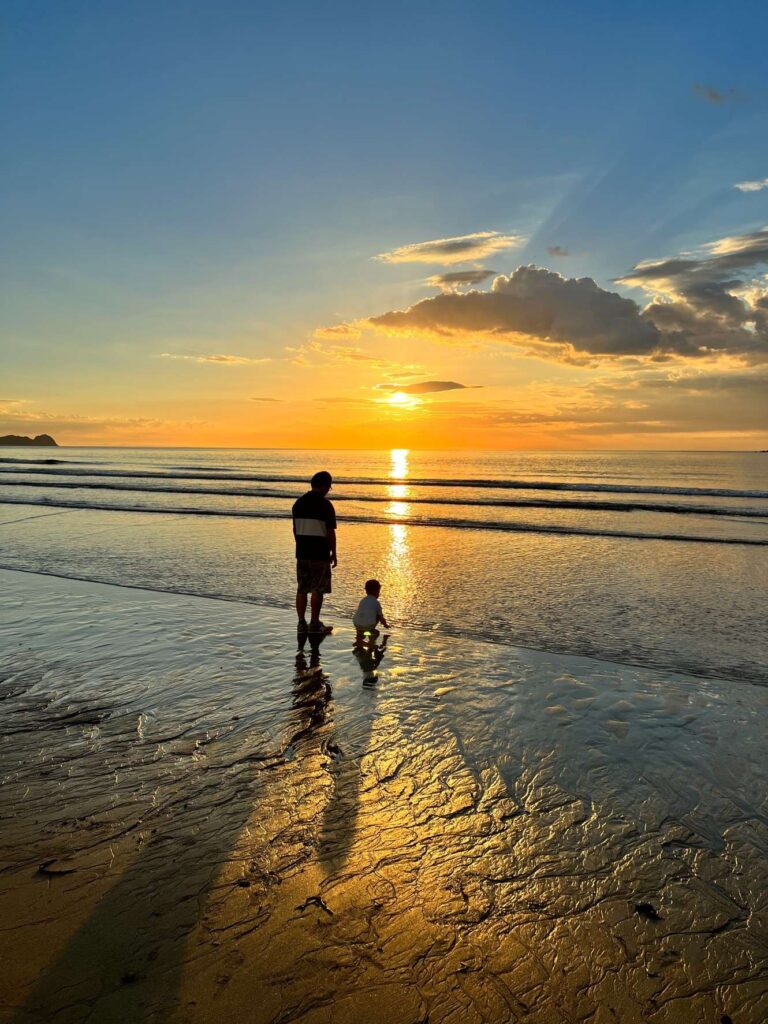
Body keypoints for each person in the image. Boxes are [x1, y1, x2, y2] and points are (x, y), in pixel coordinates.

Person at [292, 470, 337, 633]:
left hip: (302, 551)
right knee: (318, 589)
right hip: (320, 552)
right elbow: (330, 532)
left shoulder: (298, 503)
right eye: (329, 487)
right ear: (326, 486)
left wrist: (300, 545)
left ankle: (301, 623)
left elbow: (295, 529)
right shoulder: (325, 505)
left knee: (302, 588)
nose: (328, 490)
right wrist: (334, 552)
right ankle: (315, 623)